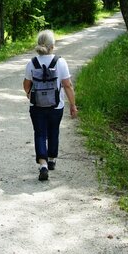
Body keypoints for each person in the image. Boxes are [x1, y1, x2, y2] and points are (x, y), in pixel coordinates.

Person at [23, 29, 77, 181]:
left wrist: (30, 95)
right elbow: (68, 85)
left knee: (40, 133)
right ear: (52, 45)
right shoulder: (60, 62)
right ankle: (52, 159)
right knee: (53, 131)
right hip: (56, 106)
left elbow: (26, 85)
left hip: (37, 106)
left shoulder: (32, 63)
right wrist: (73, 105)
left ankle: (43, 165)